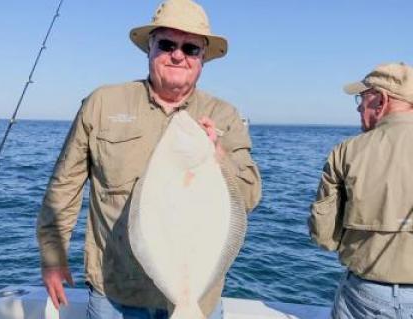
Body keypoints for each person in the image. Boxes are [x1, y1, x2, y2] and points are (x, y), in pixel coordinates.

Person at [36, 0, 262, 318]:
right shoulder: (102, 104)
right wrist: (53, 258)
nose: (178, 55)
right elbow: (64, 188)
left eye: (191, 49)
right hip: (116, 292)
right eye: (167, 44)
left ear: (203, 60)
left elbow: (249, 196)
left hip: (197, 297)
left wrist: (219, 156)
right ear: (150, 49)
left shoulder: (223, 115)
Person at [309, 62, 413, 318]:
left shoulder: (346, 152)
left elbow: (324, 236)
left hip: (369, 298)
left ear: (382, 100)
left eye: (363, 97)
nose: (358, 106)